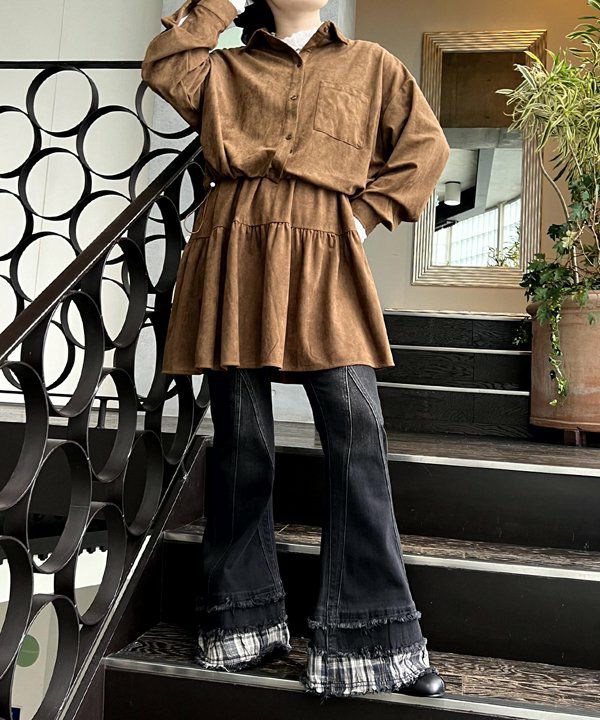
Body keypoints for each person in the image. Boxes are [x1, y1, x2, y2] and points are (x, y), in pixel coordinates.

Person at [141, 0, 450, 699]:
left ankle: (374, 636)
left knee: (356, 430)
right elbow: (165, 63)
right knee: (243, 441)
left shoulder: (372, 65)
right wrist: (217, 5)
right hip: (234, 248)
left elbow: (425, 147)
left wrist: (365, 215)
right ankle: (242, 620)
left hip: (324, 249)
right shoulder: (226, 66)